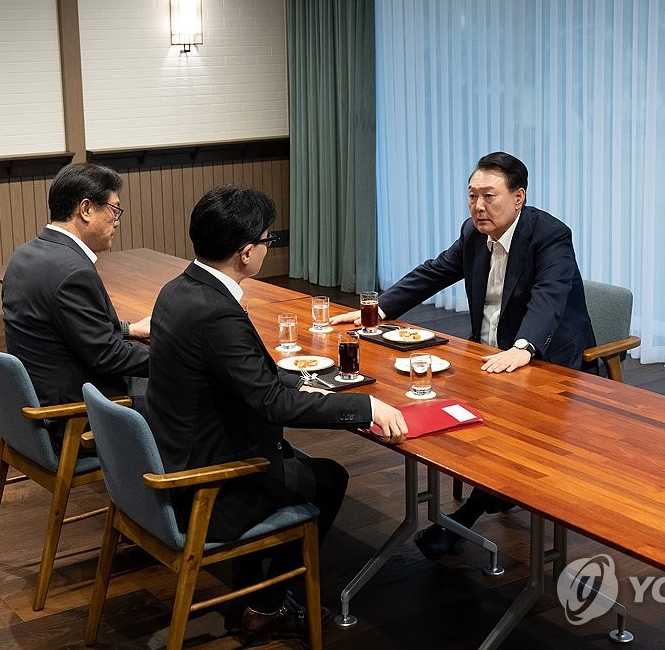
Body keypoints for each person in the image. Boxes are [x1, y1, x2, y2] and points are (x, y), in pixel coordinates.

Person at [147, 184, 408, 646]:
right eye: (268, 240)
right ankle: (266, 608)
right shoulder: (215, 311)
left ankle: (251, 592)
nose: (269, 247)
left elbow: (254, 379)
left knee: (293, 459)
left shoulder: (179, 289)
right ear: (246, 253)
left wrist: (314, 383)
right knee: (327, 478)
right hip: (208, 483)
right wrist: (363, 407)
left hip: (180, 450)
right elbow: (271, 401)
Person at [330, 151, 596, 560]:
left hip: (544, 359)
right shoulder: (474, 234)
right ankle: (497, 490)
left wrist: (523, 348)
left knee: (506, 429)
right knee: (435, 404)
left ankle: (469, 513)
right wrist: (378, 310)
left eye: (489, 196)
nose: (478, 206)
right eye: (472, 196)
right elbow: (435, 271)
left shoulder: (550, 235)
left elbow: (549, 297)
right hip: (487, 354)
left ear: (519, 197)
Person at [1, 162, 151, 445]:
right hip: (75, 419)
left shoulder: (26, 253)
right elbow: (108, 357)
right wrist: (179, 357)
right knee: (190, 390)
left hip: (40, 402)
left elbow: (61, 329)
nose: (117, 220)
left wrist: (127, 329)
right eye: (114, 209)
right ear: (85, 209)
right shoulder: (72, 271)